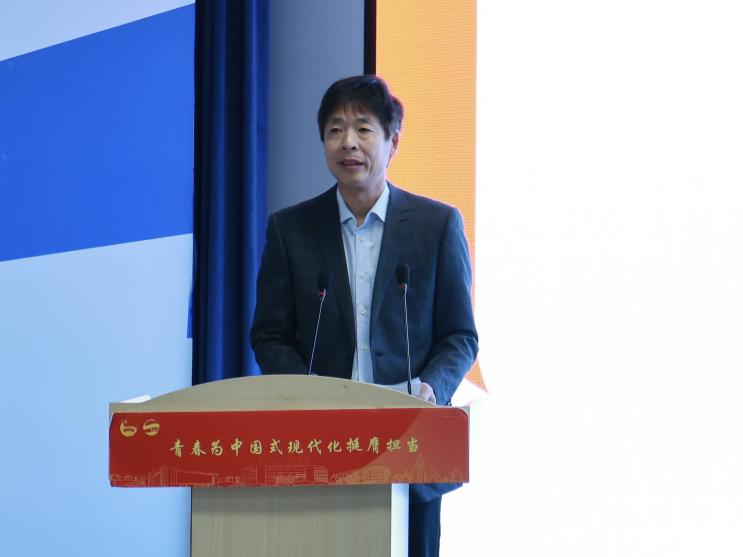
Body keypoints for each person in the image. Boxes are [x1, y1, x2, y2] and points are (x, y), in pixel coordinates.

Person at [250, 75, 478, 557]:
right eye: (334, 129)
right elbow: (269, 334)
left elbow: (460, 335)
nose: (348, 142)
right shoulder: (291, 230)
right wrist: (308, 394)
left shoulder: (437, 225)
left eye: (363, 128)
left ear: (393, 141)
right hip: (320, 446)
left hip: (410, 446)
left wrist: (431, 390)